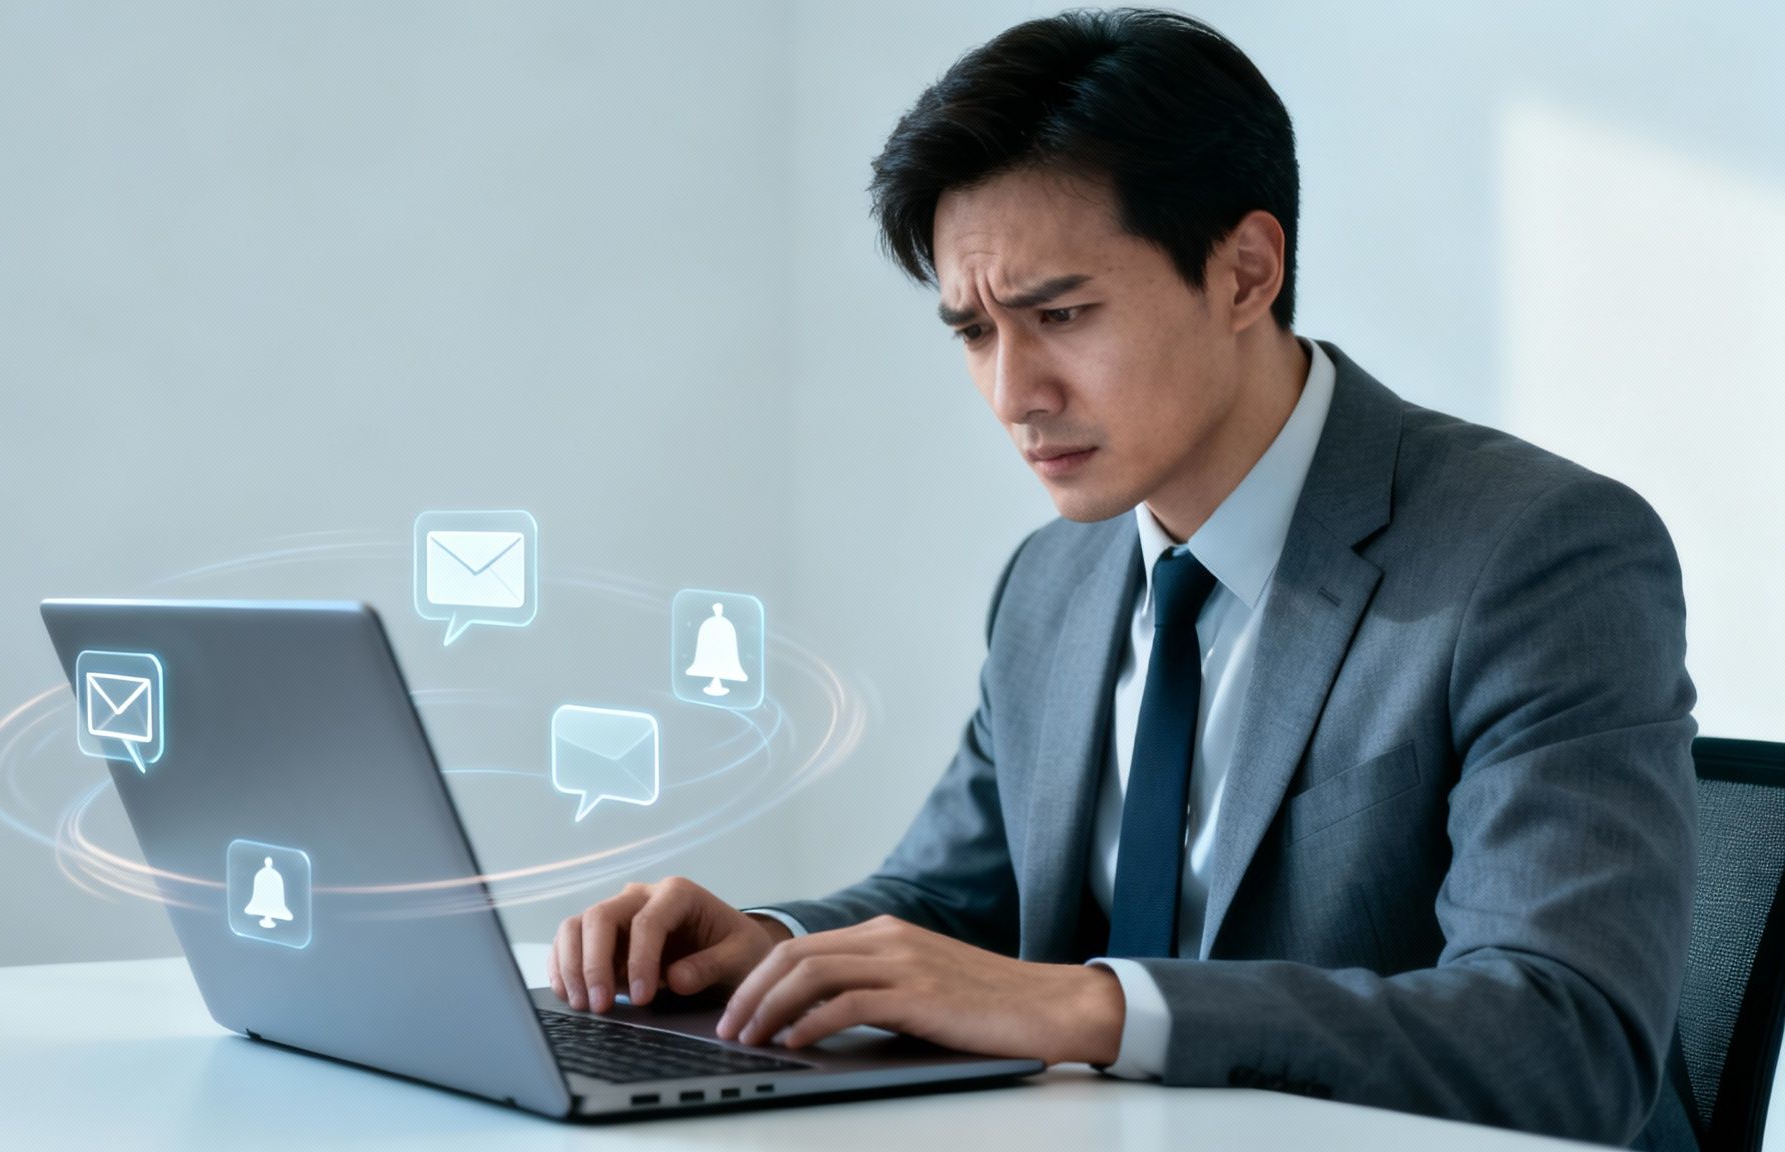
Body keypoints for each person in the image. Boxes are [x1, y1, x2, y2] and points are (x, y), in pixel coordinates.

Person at [548, 9, 1698, 1148]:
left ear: (1244, 272)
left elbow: (1567, 1043)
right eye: (973, 332)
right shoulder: (1051, 582)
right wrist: (765, 944)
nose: (1014, 394)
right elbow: (951, 906)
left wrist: (1094, 1007)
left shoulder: (1537, 555)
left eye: (1059, 314)